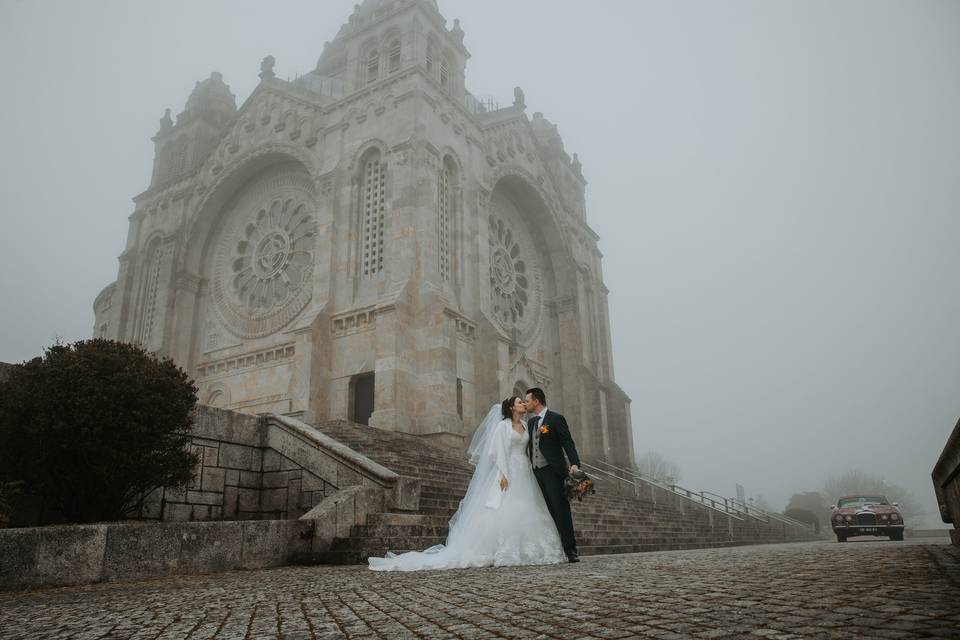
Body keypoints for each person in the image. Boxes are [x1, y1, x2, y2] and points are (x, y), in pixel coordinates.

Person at [368, 396, 567, 571]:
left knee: (527, 507)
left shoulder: (527, 425)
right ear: (511, 408)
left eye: (524, 402)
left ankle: (533, 548)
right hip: (509, 470)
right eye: (519, 402)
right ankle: (505, 550)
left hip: (525, 471)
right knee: (507, 507)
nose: (523, 404)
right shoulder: (502, 426)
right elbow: (496, 451)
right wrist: (504, 474)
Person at [525, 387, 582, 562]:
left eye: (527, 400)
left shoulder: (556, 419)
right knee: (546, 511)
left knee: (561, 510)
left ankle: (570, 550)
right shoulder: (531, 423)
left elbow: (567, 441)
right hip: (536, 473)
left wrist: (574, 463)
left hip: (553, 471)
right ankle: (554, 549)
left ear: (536, 401)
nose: (526, 403)